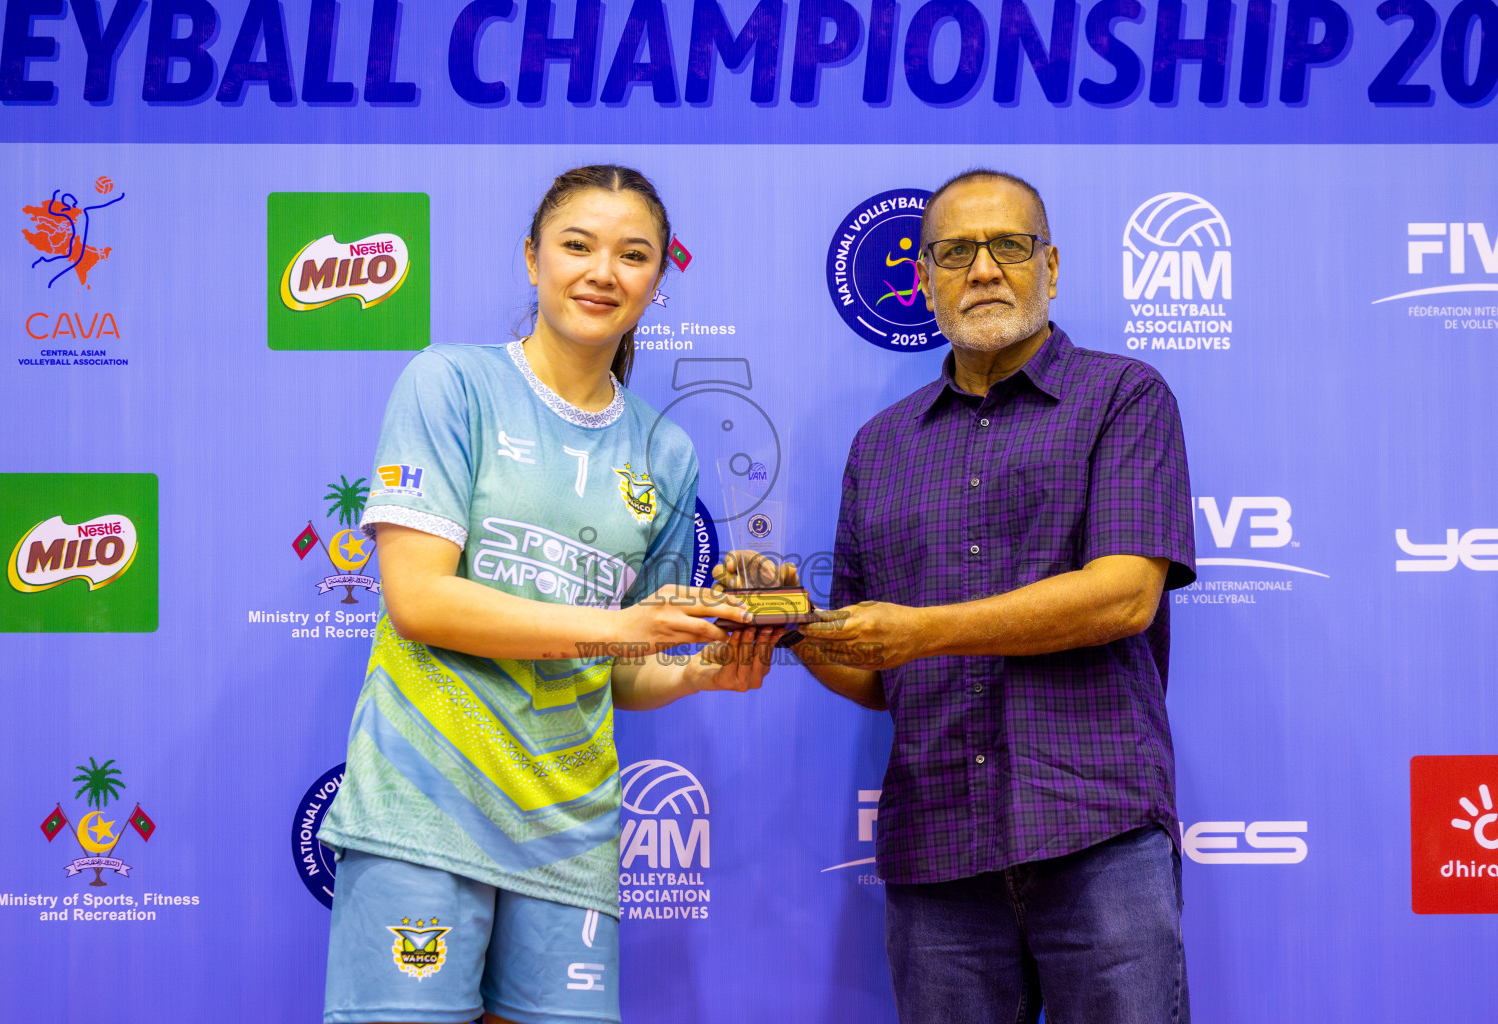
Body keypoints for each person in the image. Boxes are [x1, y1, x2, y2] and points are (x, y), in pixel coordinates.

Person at [317, 165, 782, 1024]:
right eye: (577, 245)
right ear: (532, 259)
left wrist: (696, 672)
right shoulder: (450, 384)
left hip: (570, 835)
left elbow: (625, 665)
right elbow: (419, 601)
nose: (602, 271)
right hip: (426, 808)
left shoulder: (667, 452)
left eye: (632, 254)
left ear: (656, 279)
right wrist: (622, 626)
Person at [788, 169, 1196, 1023]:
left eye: (1008, 246)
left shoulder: (1123, 396)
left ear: (1051, 265)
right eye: (955, 252)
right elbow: (875, 669)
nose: (983, 269)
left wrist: (920, 633)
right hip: (936, 846)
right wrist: (797, 629)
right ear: (923, 280)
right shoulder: (881, 446)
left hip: (1097, 827)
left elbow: (1122, 598)